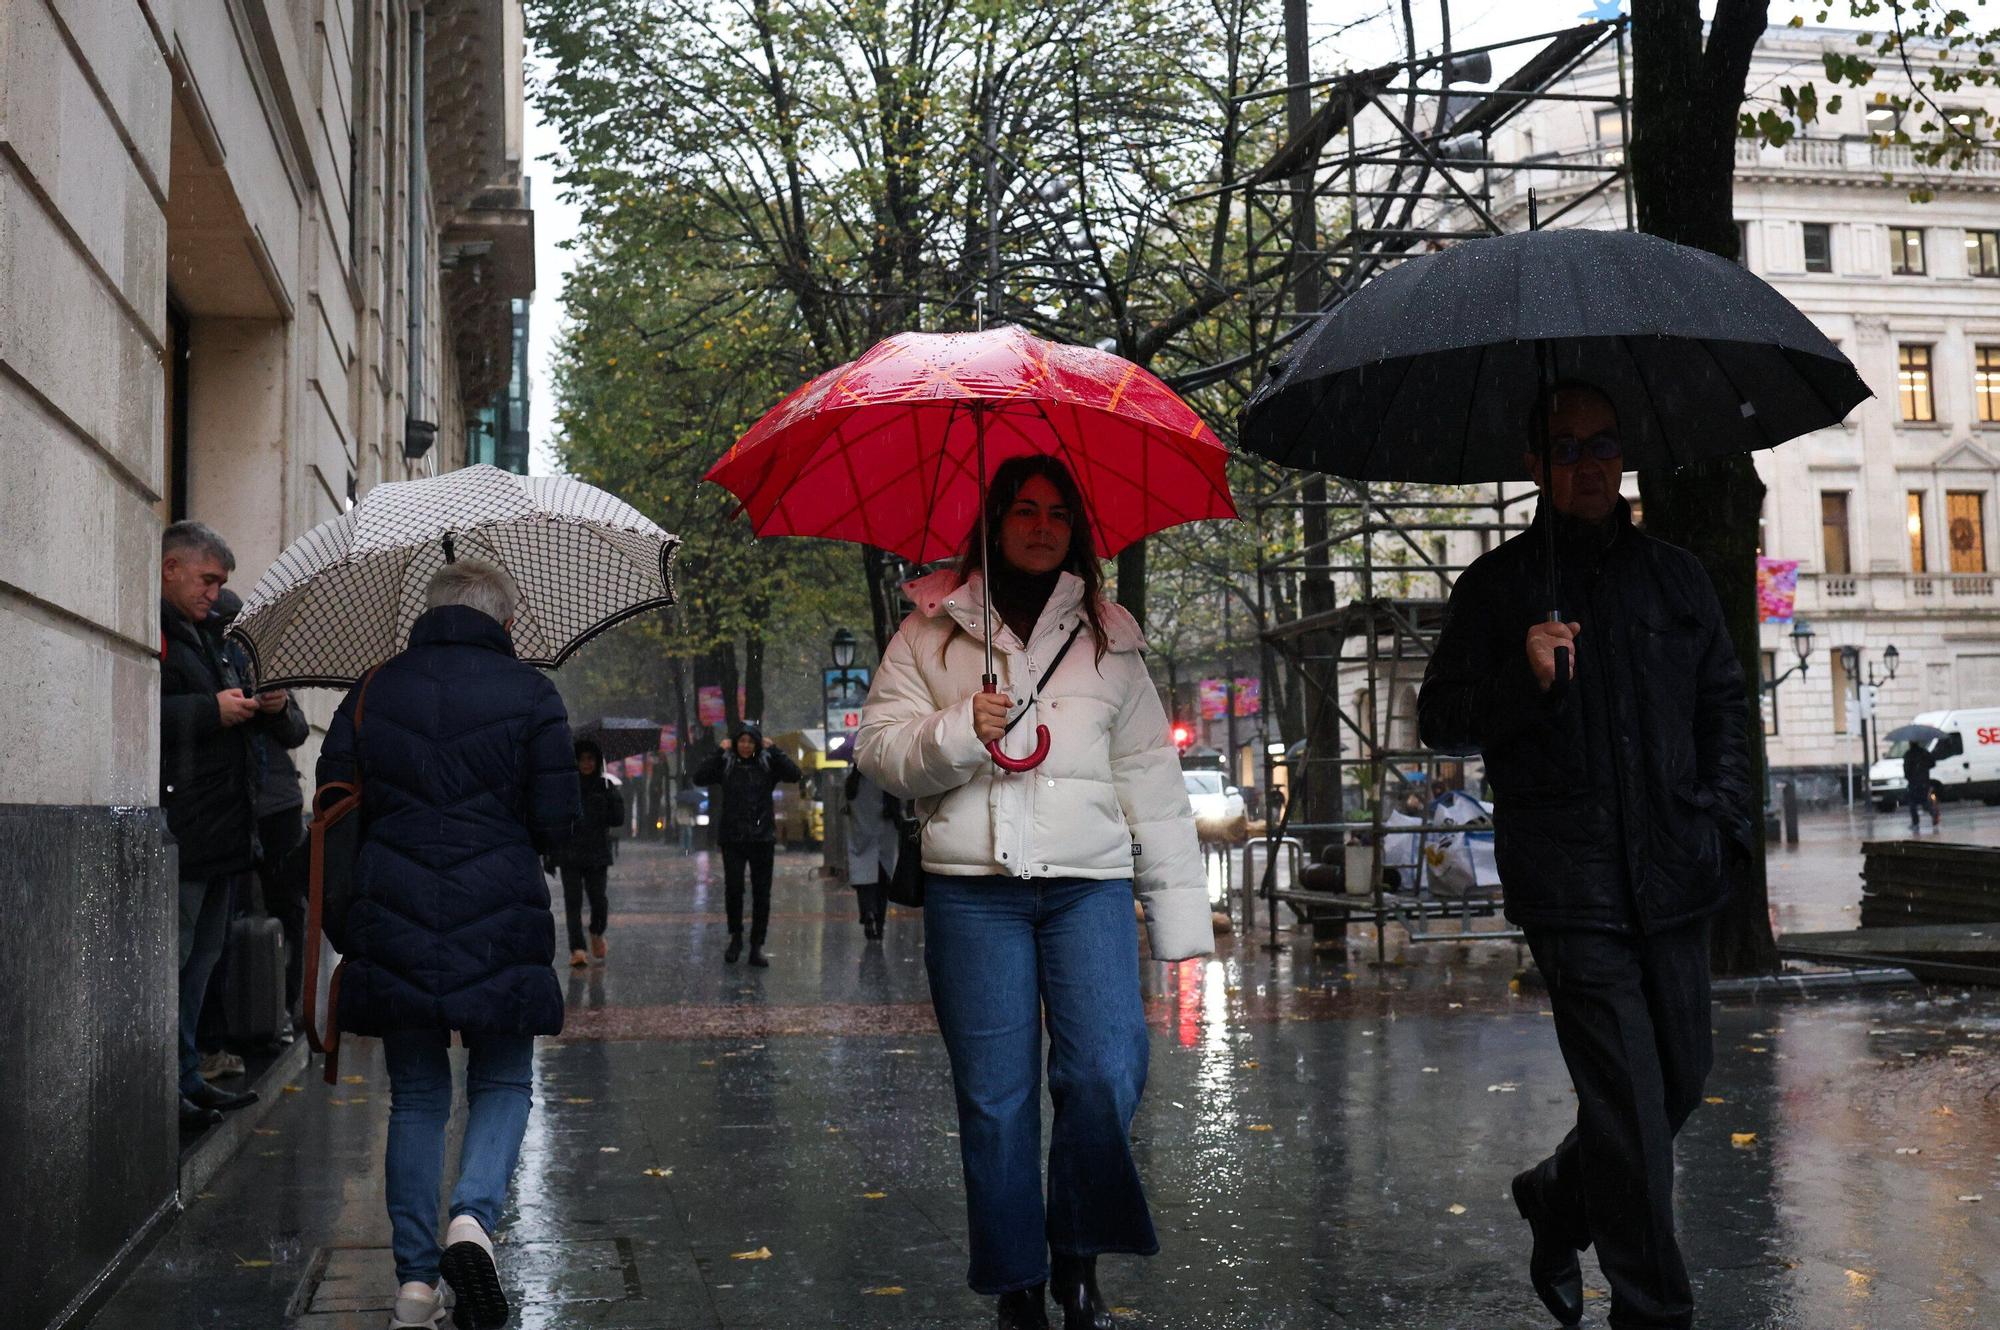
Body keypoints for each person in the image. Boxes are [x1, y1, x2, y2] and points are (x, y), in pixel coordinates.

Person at [1418, 382, 1751, 1330]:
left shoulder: (1677, 578)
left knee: (1678, 1080)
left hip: (1677, 871)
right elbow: (1439, 717)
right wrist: (1522, 679)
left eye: (1604, 443)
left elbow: (1725, 703)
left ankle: (1559, 1195)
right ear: (1535, 464)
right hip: (1571, 887)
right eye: (1566, 447)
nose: (1590, 461)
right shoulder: (1498, 587)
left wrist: (1724, 822)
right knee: (1632, 1105)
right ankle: (1653, 1312)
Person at [856, 455, 1213, 1330]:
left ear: (1076, 529)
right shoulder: (930, 633)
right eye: (1023, 509)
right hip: (973, 894)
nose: (1042, 525)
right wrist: (953, 731)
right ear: (994, 520)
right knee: (996, 1096)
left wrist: (1181, 922)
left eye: (1057, 511)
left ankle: (1077, 1251)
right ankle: (1018, 1282)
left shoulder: (1109, 635)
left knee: (1105, 1072)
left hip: (1088, 887)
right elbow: (876, 751)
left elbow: (1152, 780)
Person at [316, 559, 579, 1330]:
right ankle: (472, 1218)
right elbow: (558, 820)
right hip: (499, 911)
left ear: (425, 616)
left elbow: (333, 798)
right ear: (503, 623)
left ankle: (415, 1288)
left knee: (420, 1096)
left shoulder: (371, 690)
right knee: (503, 1082)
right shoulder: (532, 692)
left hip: (392, 908)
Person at [160, 521, 294, 1127]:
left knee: (203, 962)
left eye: (220, 583)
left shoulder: (213, 636)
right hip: (186, 828)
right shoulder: (156, 628)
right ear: (171, 568)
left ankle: (188, 1076)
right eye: (208, 579)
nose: (215, 593)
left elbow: (287, 734)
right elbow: (141, 713)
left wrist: (272, 704)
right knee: (179, 958)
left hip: (225, 831)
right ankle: (170, 1084)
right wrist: (211, 710)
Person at [689, 724, 803, 968]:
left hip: (762, 838)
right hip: (733, 838)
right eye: (742, 741)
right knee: (734, 889)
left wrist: (776, 751)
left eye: (751, 741)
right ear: (735, 742)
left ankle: (756, 945)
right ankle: (736, 937)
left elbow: (794, 774)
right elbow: (699, 776)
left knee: (762, 894)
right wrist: (719, 752)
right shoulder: (727, 765)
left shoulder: (766, 765)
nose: (746, 746)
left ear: (757, 744)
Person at [550, 738, 626, 967]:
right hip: (570, 853)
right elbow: (556, 821)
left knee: (599, 900)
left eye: (590, 759)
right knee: (572, 903)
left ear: (597, 761)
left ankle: (596, 931)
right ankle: (578, 949)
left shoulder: (605, 787)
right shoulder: (565, 787)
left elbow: (618, 819)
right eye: (581, 759)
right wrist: (550, 853)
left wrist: (612, 796)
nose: (586, 764)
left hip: (597, 853)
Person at [843, 765, 900, 941]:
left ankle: (868, 913)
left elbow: (844, 807)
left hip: (861, 838)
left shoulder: (852, 782)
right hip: (884, 838)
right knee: (883, 886)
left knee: (864, 882)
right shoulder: (886, 780)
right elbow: (897, 808)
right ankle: (880, 925)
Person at [1903, 740, 1939, 832]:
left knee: (1912, 803)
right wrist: (1924, 768)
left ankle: (1915, 823)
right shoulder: (1924, 752)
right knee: (1924, 801)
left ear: (1910, 744)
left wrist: (1909, 776)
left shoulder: (1908, 754)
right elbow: (1933, 763)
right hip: (1924, 781)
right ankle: (1932, 812)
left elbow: (1906, 770)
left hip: (1913, 782)